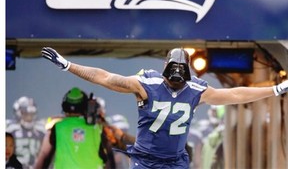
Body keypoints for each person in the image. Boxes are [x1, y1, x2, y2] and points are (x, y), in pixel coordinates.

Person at [41, 47, 288, 169]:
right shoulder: (146, 84)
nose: (175, 84)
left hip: (174, 161)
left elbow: (235, 93)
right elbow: (106, 77)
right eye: (172, 79)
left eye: (179, 81)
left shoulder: (194, 90)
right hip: (146, 160)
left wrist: (275, 89)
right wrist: (68, 65)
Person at [34, 87, 113, 169]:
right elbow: (109, 160)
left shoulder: (57, 128)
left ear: (65, 106)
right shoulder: (98, 129)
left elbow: (44, 157)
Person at [6, 96, 46, 169]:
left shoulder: (41, 130)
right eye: (26, 114)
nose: (29, 117)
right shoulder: (10, 129)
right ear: (19, 113)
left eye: (31, 114)